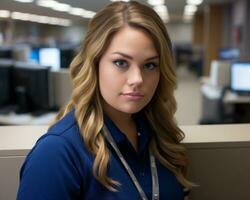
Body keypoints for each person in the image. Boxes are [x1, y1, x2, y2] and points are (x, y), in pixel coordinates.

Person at [17, 1, 194, 200]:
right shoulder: (57, 152)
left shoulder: (160, 134)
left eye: (150, 65)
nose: (137, 79)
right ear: (94, 64)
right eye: (121, 63)